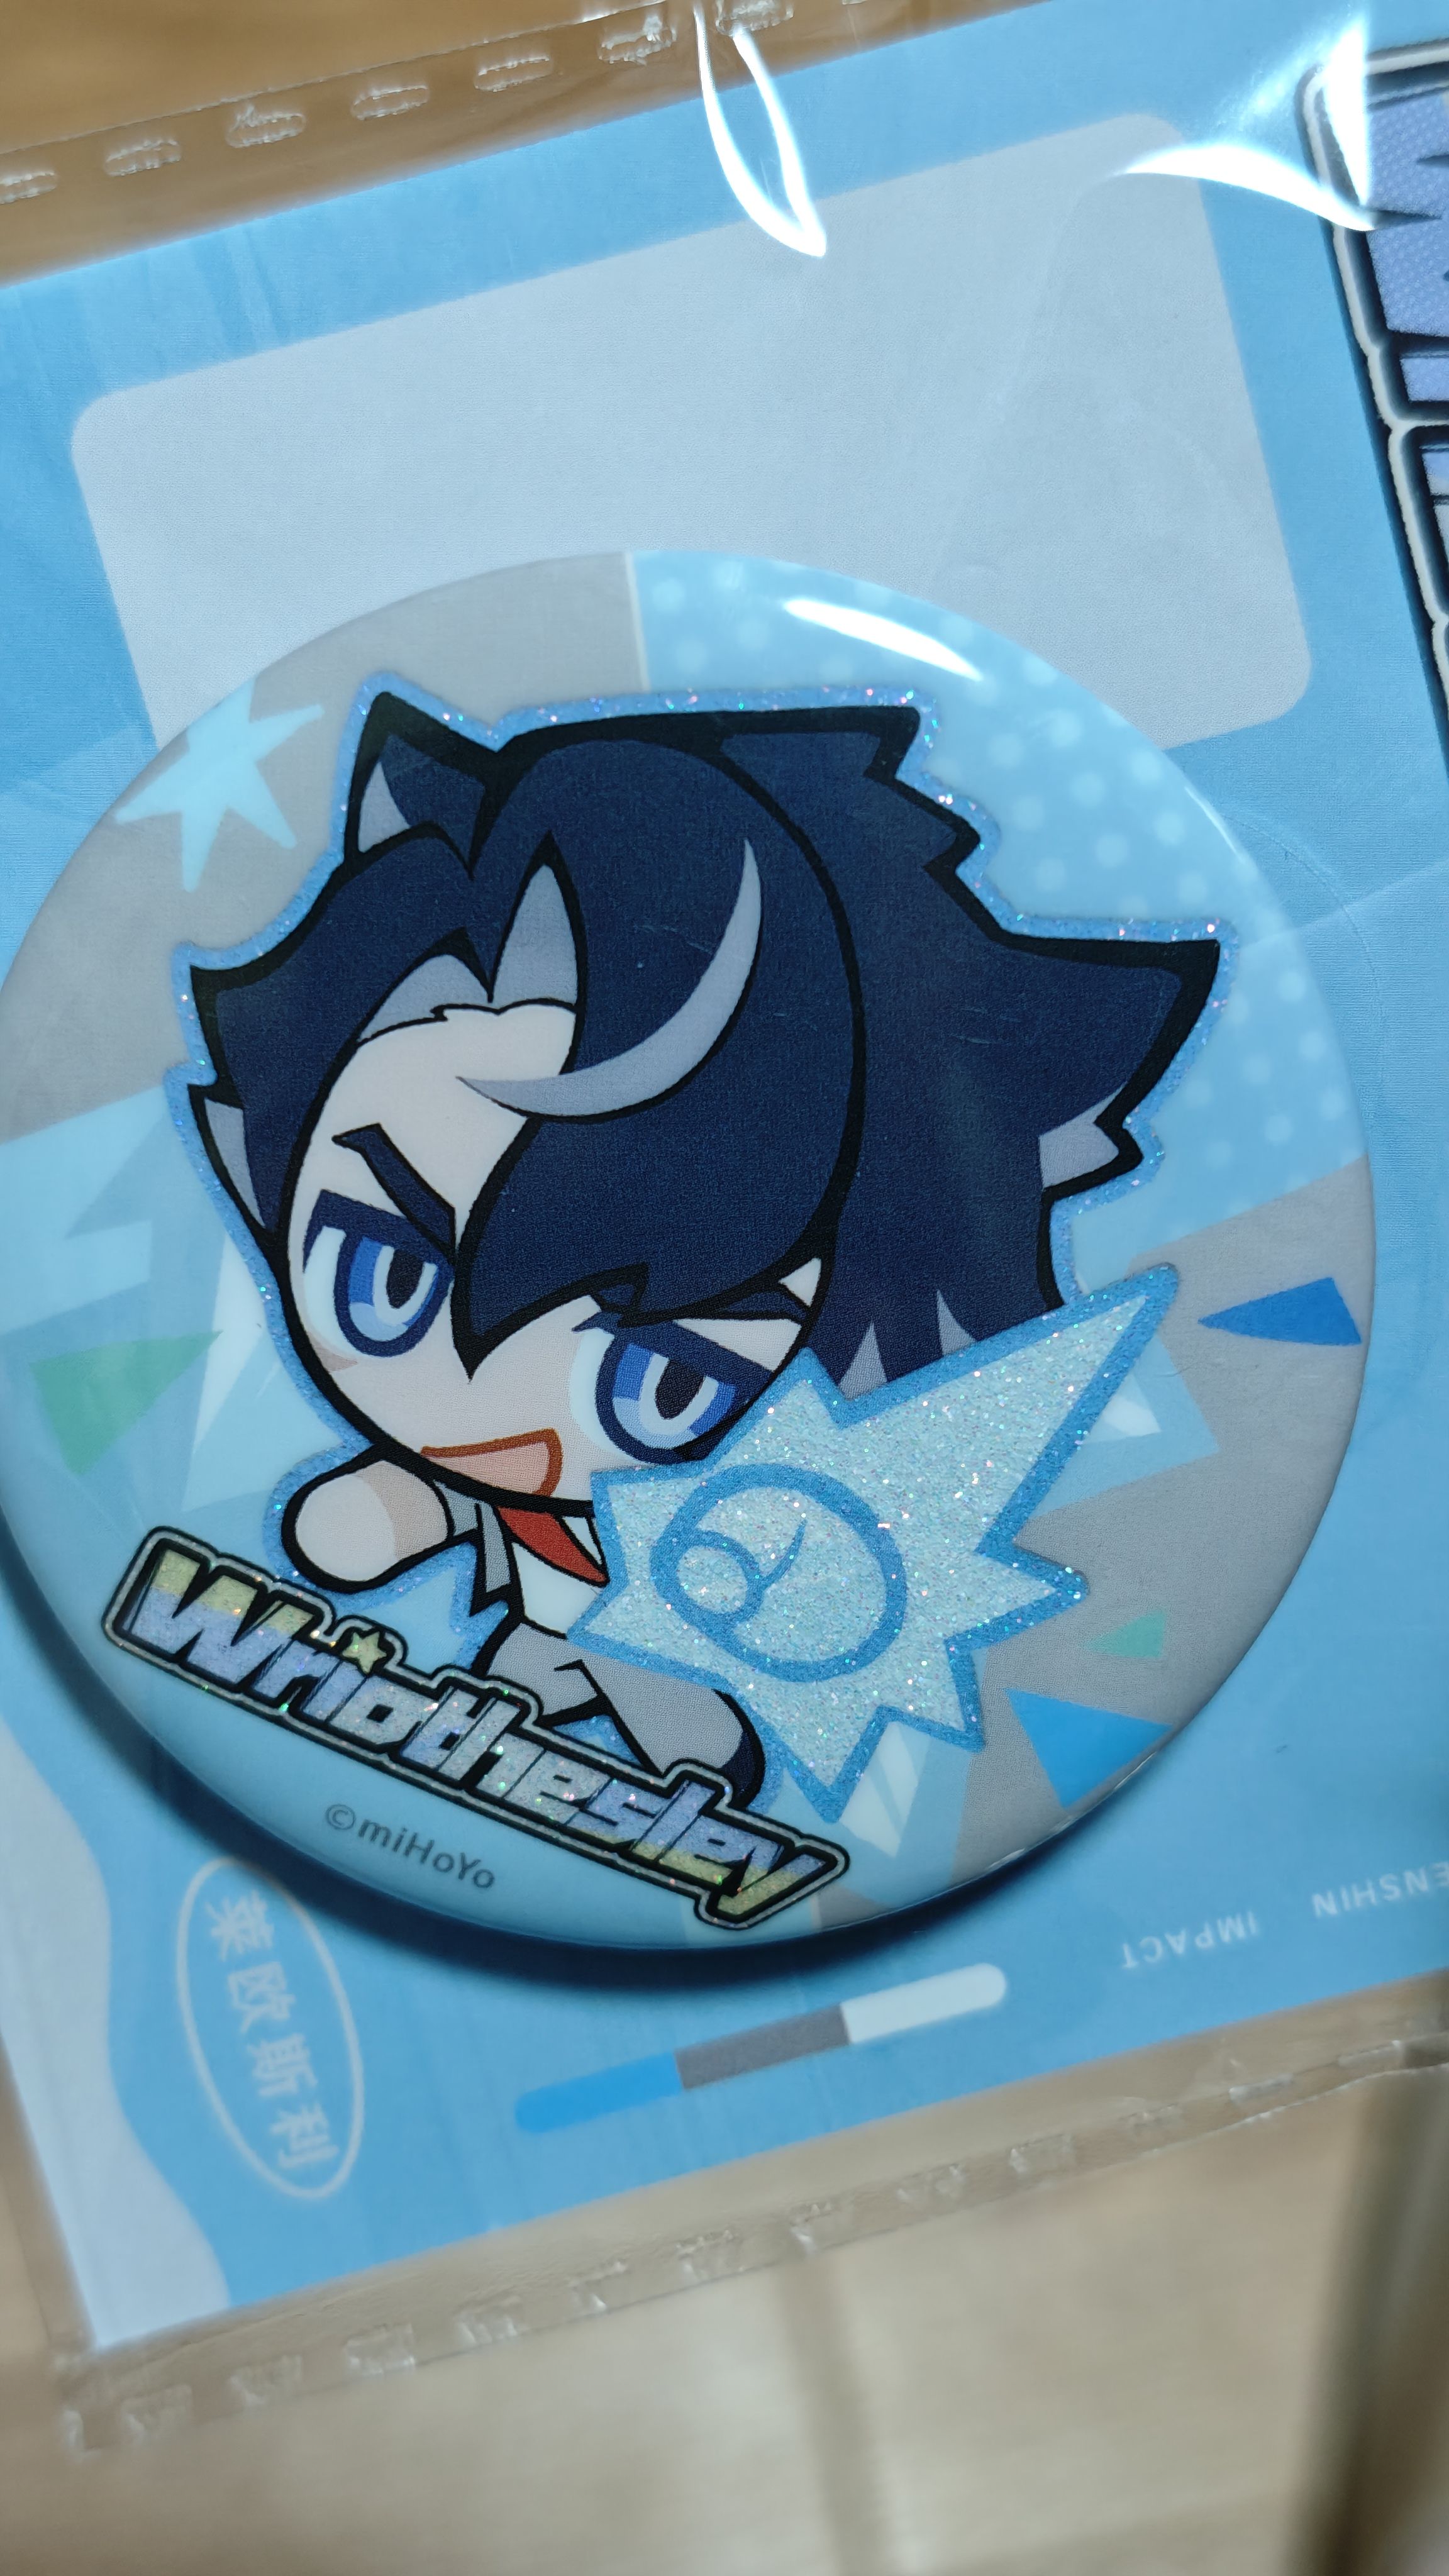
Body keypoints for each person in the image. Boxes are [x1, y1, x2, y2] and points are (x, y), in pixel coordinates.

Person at [186, 691, 1218, 1804]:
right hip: (558, 1609)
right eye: (382, 1275)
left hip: (667, 1606)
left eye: (663, 1383)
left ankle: (599, 1694)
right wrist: (398, 1508)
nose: (502, 1433)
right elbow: (382, 1519)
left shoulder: (752, 1524)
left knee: (634, 1679)